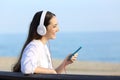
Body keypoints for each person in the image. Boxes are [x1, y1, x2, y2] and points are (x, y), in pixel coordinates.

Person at [13, 10, 78, 74]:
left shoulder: (43, 47)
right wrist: (50, 71)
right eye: (54, 26)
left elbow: (53, 74)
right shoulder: (34, 46)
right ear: (42, 29)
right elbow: (27, 68)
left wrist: (65, 63)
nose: (58, 29)